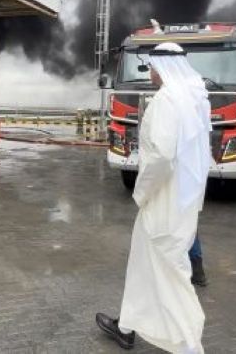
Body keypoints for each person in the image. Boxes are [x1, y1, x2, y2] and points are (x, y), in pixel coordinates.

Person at [96, 42, 211, 353]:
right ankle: (126, 327)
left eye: (152, 67)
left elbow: (161, 156)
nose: (150, 73)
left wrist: (142, 192)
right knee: (144, 265)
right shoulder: (195, 99)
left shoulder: (167, 101)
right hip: (183, 201)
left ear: (163, 67)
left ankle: (189, 346)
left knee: (170, 273)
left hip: (163, 202)